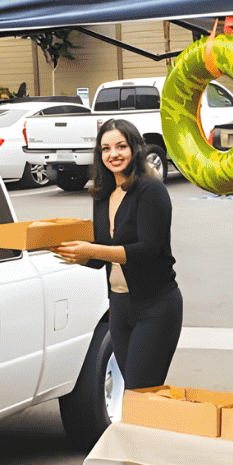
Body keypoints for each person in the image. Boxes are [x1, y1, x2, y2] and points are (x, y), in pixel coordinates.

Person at [52, 119, 183, 390]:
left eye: (121, 146)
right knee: (133, 390)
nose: (113, 154)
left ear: (135, 148)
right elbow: (103, 256)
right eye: (106, 148)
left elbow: (148, 250)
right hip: (119, 307)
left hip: (155, 306)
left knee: (141, 390)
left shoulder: (151, 190)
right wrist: (76, 254)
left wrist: (92, 249)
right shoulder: (102, 195)